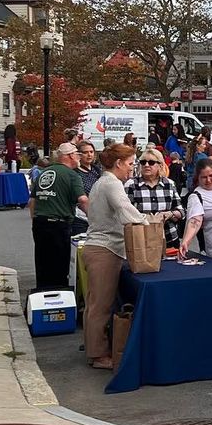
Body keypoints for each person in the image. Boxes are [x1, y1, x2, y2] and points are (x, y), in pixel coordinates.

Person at [81, 143, 147, 370]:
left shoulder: (103, 183)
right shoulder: (112, 184)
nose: (132, 168)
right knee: (101, 306)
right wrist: (147, 222)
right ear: (118, 163)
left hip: (98, 248)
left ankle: (94, 350)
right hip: (105, 250)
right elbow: (125, 209)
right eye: (130, 164)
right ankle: (99, 355)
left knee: (94, 304)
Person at [30, 142, 87, 292]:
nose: (79, 158)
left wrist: (34, 219)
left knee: (42, 264)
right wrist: (95, 219)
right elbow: (82, 200)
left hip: (40, 223)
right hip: (59, 225)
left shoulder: (44, 173)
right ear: (70, 156)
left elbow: (32, 201)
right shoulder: (72, 175)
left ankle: (41, 296)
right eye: (77, 155)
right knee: (59, 266)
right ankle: (58, 300)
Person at [125, 147, 185, 250]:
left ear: (160, 165)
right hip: (141, 240)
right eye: (143, 162)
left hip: (169, 239)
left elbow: (181, 212)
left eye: (151, 162)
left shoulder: (169, 184)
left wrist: (170, 214)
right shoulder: (131, 185)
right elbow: (125, 213)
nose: (146, 165)